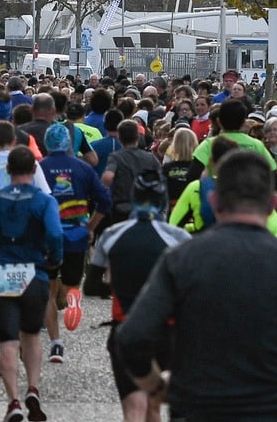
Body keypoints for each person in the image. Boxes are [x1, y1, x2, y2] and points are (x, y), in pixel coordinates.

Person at [117, 147, 277, 422]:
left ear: (214, 201)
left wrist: (156, 385)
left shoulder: (181, 261)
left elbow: (132, 337)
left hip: (199, 408)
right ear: (273, 203)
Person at [0, 145, 64, 422]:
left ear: (9, 170)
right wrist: (53, 258)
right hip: (34, 271)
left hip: (4, 271)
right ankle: (33, 388)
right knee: (32, 335)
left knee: (8, 340)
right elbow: (56, 234)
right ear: (34, 170)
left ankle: (13, 401)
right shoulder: (44, 202)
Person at [91, 167, 187, 422]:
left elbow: (90, 285)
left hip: (125, 327)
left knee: (133, 409)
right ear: (163, 200)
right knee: (153, 405)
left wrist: (116, 285)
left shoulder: (112, 235)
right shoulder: (179, 238)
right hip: (166, 331)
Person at [36, 121, 107, 365]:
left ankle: (56, 344)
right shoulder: (83, 168)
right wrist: (90, 227)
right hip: (77, 234)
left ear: (46, 142)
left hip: (47, 236)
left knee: (48, 290)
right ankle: (73, 298)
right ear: (68, 142)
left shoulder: (40, 167)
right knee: (71, 283)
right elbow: (104, 201)